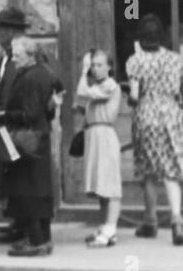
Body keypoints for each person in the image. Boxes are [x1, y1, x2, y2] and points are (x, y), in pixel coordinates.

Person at [0, 36, 60, 256]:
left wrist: (4, 114)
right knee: (39, 188)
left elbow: (30, 113)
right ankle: (44, 238)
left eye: (17, 55)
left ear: (30, 55)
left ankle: (36, 241)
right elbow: (50, 107)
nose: (13, 59)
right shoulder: (44, 73)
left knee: (27, 188)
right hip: (39, 135)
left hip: (27, 137)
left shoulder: (32, 77)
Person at [124, 14, 183, 245]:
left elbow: (135, 96)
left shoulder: (136, 61)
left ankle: (150, 221)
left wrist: (130, 99)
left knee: (148, 171)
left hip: (146, 116)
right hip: (171, 114)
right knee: (171, 170)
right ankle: (178, 222)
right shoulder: (176, 60)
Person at [76, 49, 124, 248]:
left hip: (104, 136)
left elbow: (82, 92)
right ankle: (106, 226)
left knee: (110, 185)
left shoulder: (111, 85)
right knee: (100, 186)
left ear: (109, 67)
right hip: (94, 135)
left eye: (99, 65)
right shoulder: (98, 86)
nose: (95, 69)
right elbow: (83, 101)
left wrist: (83, 71)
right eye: (93, 65)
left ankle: (111, 227)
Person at [0, 6, 29, 242]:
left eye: (1, 30)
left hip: (18, 122)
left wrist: (7, 112)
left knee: (22, 173)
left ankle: (24, 224)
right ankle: (15, 219)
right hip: (5, 122)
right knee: (11, 173)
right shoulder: (4, 57)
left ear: (12, 32)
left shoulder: (22, 56)